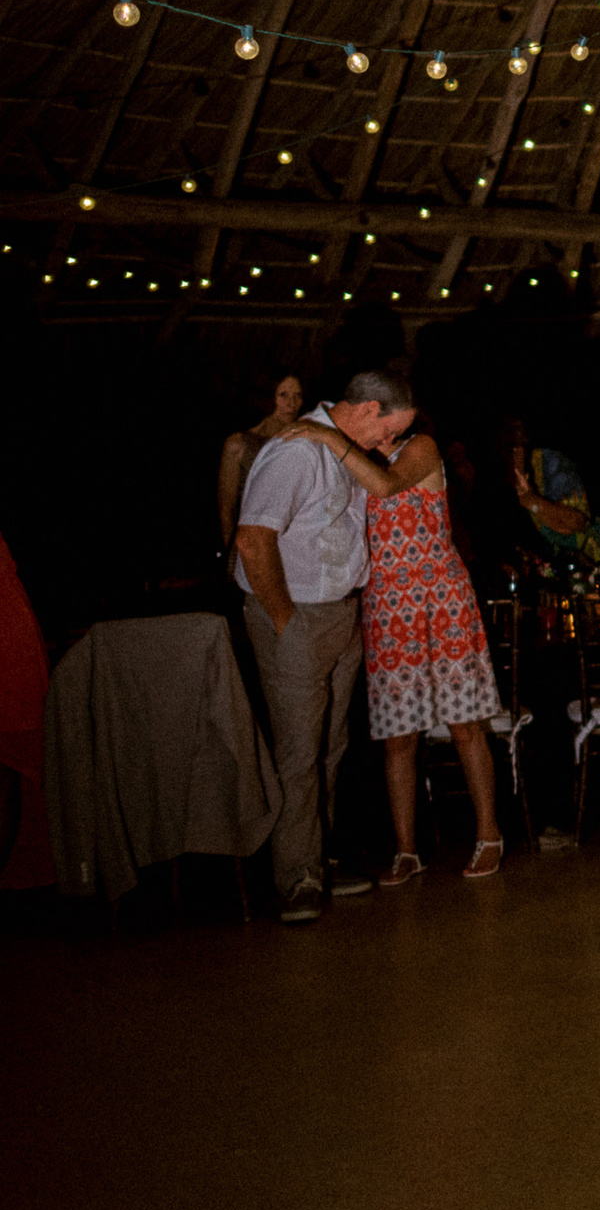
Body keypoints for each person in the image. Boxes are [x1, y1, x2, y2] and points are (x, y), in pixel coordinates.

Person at [282, 405, 507, 884]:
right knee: (398, 737)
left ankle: (489, 833)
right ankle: (407, 850)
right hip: (385, 603)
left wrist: (328, 439)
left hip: (440, 597)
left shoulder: (420, 450)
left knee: (465, 724)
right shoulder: (356, 460)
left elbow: (386, 487)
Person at [231, 371, 417, 923]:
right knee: (297, 754)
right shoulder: (295, 453)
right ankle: (296, 877)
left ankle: (319, 858)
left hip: (340, 611)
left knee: (330, 749)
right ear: (365, 411)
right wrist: (285, 620)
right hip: (297, 614)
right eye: (388, 432)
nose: (388, 446)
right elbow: (252, 539)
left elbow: (380, 491)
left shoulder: (337, 447)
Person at [497, 415, 600, 568]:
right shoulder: (494, 476)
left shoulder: (551, 464)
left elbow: (577, 522)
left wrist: (532, 502)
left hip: (590, 564)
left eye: (516, 433)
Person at [216, 371, 305, 553]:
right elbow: (227, 508)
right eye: (283, 395)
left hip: (294, 541)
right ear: (269, 396)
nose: (291, 403)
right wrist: (232, 552)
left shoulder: (305, 439)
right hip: (253, 542)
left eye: (297, 396)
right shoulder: (239, 444)